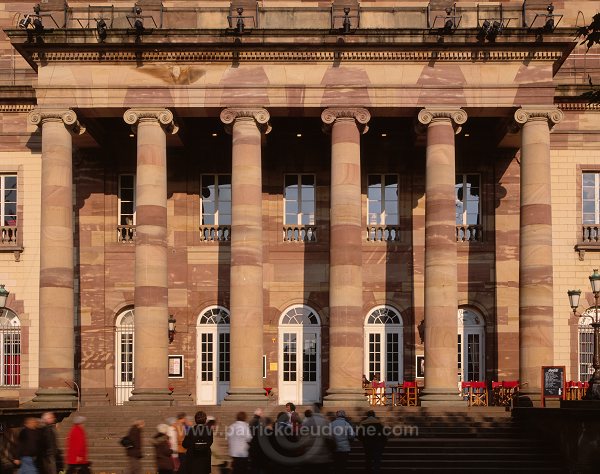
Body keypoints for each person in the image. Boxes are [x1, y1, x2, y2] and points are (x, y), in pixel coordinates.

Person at [301, 403, 332, 474]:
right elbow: (329, 439)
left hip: (309, 457)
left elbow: (301, 441)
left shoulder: (306, 422)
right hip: (323, 458)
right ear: (321, 409)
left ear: (313, 409)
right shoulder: (326, 422)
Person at [329, 410, 355, 474]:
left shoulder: (331, 424)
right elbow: (352, 435)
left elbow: (328, 435)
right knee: (343, 465)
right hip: (345, 448)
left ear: (336, 415)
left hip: (335, 448)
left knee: (336, 465)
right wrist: (348, 439)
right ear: (344, 416)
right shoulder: (347, 424)